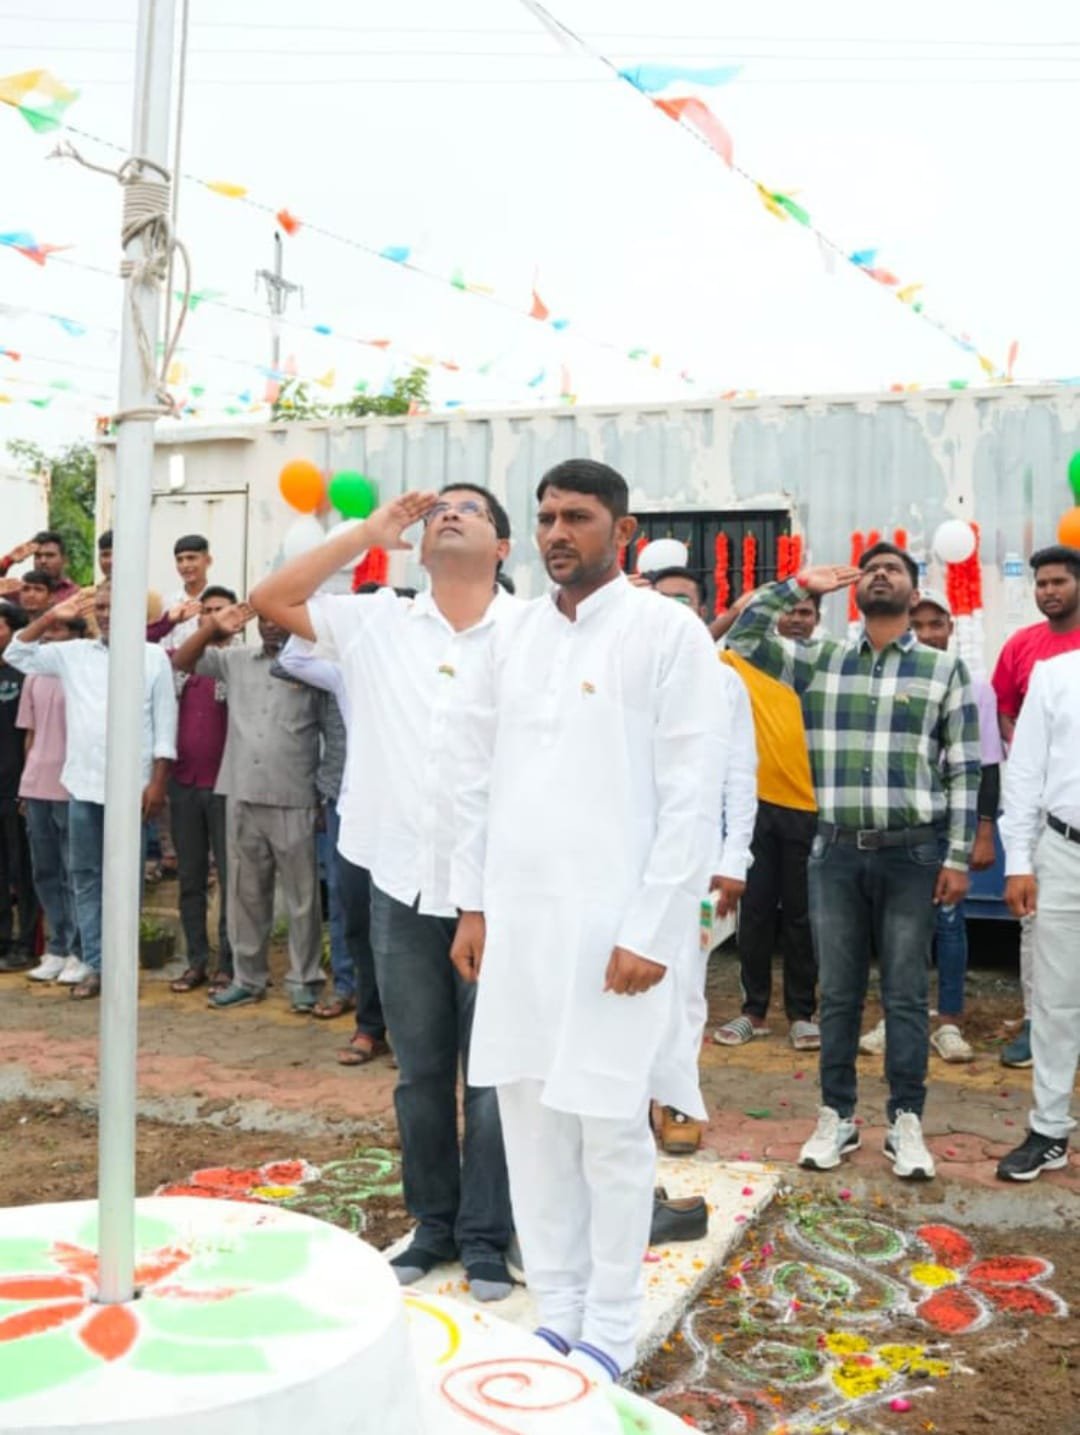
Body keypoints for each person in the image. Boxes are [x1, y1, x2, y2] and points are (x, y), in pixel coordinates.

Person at [450, 459, 729, 1378]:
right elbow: (473, 774)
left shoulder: (667, 632)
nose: (557, 533)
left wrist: (653, 928)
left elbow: (691, 794)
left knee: (609, 1127)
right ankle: (559, 1310)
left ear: (623, 527)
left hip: (615, 931)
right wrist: (471, 904)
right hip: (520, 924)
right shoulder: (512, 634)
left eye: (576, 516)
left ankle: (611, 1324)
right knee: (531, 1122)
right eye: (545, 518)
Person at [250, 485, 516, 1302]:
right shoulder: (377, 622)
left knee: (495, 1076)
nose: (450, 514)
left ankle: (486, 1236)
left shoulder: (534, 633)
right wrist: (366, 532)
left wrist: (481, 900)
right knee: (420, 1071)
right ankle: (433, 1224)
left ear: (504, 547)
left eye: (471, 509)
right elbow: (271, 597)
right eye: (440, 510)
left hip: (500, 892)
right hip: (400, 882)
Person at [727, 543, 980, 1181]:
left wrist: (956, 855)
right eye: (871, 568)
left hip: (913, 854)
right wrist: (799, 586)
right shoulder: (819, 661)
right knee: (838, 994)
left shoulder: (943, 668)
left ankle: (906, 1121)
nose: (880, 574)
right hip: (835, 852)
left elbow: (963, 768)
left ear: (914, 591)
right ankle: (836, 1115)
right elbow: (745, 636)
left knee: (904, 994)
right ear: (856, 591)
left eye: (894, 568)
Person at [5, 586, 178, 999]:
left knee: (126, 880)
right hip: (82, 785)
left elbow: (165, 726)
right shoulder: (74, 654)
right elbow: (16, 653)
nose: (105, 613)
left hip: (131, 789)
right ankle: (96, 964)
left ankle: (122, 966)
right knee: (84, 876)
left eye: (113, 606)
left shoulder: (153, 657)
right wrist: (51, 617)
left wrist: (157, 783)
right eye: (99, 606)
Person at [858, 589, 1002, 1063]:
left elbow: (984, 768)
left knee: (949, 923)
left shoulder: (975, 687)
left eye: (934, 624)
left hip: (948, 827)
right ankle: (897, 1018)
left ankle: (949, 1022)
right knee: (896, 925)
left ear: (950, 629)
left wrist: (982, 832)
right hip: (903, 825)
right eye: (916, 625)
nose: (925, 633)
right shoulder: (884, 681)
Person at [646, 565, 758, 1156]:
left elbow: (741, 774)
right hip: (619, 855)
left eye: (683, 601)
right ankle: (628, 1097)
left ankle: (677, 1097)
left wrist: (734, 857)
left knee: (684, 984)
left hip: (694, 860)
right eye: (661, 600)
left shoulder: (724, 682)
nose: (672, 611)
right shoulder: (618, 668)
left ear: (702, 614)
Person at [172, 603, 322, 1013]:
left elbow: (329, 729)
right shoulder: (235, 660)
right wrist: (211, 628)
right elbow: (182, 661)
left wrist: (324, 795)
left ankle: (304, 980)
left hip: (294, 794)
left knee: (303, 897)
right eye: (265, 618)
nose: (271, 625)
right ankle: (248, 978)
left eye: (279, 618)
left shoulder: (313, 665)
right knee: (244, 893)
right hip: (240, 791)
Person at [713, 588, 821, 1052]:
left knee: (801, 916)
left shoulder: (822, 666)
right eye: (789, 611)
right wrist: (735, 612)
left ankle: (802, 1014)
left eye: (806, 612)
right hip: (756, 808)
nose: (796, 618)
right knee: (754, 914)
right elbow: (699, 647)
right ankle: (752, 1012)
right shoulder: (744, 661)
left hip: (810, 808)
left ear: (817, 620)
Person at [274, 629, 388, 1057]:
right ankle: (370, 1025)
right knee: (356, 915)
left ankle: (412, 1035)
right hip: (354, 809)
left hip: (414, 816)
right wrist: (324, 618)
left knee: (408, 925)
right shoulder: (350, 673)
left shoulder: (440, 672)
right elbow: (291, 661)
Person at [991, 544, 1080, 1069]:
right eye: (1041, 583)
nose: (1048, 591)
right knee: (1037, 926)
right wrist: (1030, 754)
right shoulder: (1022, 646)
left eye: (1058, 582)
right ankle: (1035, 1022)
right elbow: (1004, 711)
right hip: (1046, 815)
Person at [997, 649, 1080, 1180]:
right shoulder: (1057, 675)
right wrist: (1019, 862)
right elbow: (1024, 773)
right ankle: (1050, 1129)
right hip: (1065, 852)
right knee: (1056, 999)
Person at [167, 586, 237, 994]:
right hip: (184, 784)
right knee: (190, 877)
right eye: (206, 611)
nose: (212, 617)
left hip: (227, 788)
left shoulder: (241, 662)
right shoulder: (183, 665)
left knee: (231, 879)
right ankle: (195, 961)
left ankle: (228, 963)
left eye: (219, 610)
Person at [17, 612, 86, 982]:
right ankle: (57, 947)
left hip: (71, 783)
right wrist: (25, 783)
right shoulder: (34, 675)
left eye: (58, 629)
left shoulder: (82, 675)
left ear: (76, 635)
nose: (50, 636)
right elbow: (29, 734)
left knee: (73, 870)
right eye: (48, 630)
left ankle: (78, 949)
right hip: (36, 783)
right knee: (44, 870)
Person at [0, 602, 39, 971]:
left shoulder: (24, 674)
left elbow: (31, 733)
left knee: (23, 869)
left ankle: (26, 943)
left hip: (18, 787)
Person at [28, 532, 79, 605]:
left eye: (50, 555)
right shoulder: (23, 592)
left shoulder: (76, 595)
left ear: (65, 560)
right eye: (38, 556)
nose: (43, 561)